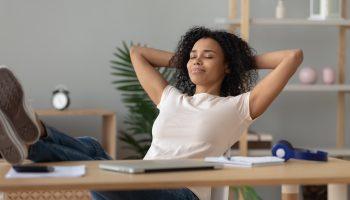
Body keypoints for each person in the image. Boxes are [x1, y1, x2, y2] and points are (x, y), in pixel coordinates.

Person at [0, 26, 303, 200]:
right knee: (91, 147)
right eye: (192, 56)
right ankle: (33, 134)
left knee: (101, 171)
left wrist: (235, 59)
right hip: (136, 182)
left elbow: (292, 57)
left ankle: (34, 138)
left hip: (181, 195)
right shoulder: (171, 98)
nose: (197, 61)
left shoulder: (237, 108)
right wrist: (190, 60)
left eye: (208, 57)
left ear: (226, 66)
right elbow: (138, 53)